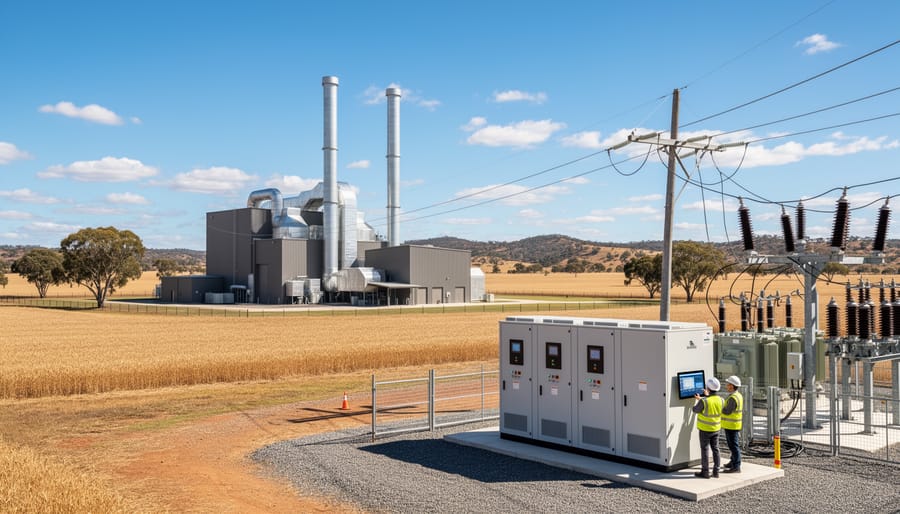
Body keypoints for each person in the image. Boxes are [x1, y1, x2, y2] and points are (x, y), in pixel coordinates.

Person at [693, 377, 723, 478]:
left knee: (705, 449)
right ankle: (716, 471)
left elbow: (695, 410)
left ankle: (705, 472)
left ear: (708, 388)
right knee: (716, 449)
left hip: (705, 429)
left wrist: (700, 400)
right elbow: (712, 403)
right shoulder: (721, 400)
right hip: (716, 429)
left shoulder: (704, 401)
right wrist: (705, 397)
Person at [722, 375, 744, 473]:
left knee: (733, 446)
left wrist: (719, 406)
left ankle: (736, 466)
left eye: (728, 384)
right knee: (732, 445)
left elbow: (727, 411)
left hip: (731, 426)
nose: (727, 386)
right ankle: (733, 461)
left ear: (732, 386)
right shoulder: (737, 395)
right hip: (733, 425)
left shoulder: (733, 398)